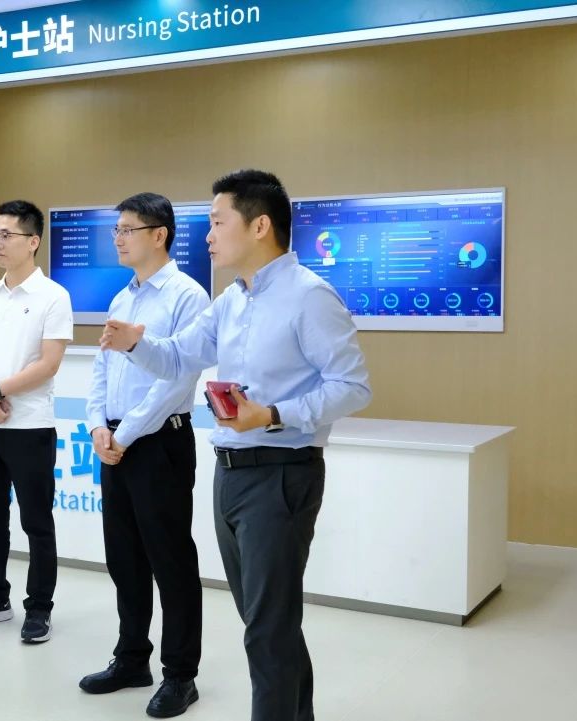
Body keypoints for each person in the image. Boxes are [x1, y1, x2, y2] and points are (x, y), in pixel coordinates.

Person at [100, 170, 372, 721]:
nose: (207, 235)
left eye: (218, 221)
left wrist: (270, 414)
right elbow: (179, 357)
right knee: (265, 619)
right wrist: (135, 344)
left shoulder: (309, 297)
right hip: (230, 470)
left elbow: (353, 387)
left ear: (260, 226)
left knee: (267, 626)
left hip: (282, 471)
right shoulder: (231, 301)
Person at [81, 193, 211, 718]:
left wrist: (127, 433)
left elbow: (177, 378)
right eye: (115, 230)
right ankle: (132, 658)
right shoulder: (122, 298)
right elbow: (101, 368)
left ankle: (180, 675)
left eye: (127, 229)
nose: (117, 238)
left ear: (159, 235)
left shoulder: (187, 296)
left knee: (170, 561)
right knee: (125, 559)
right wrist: (97, 425)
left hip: (159, 443)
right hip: (115, 443)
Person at [0, 200, 72, 644]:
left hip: (30, 427)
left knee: (37, 523)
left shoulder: (53, 296)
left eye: (7, 235)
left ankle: (39, 608)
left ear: (33, 241)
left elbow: (49, 363)